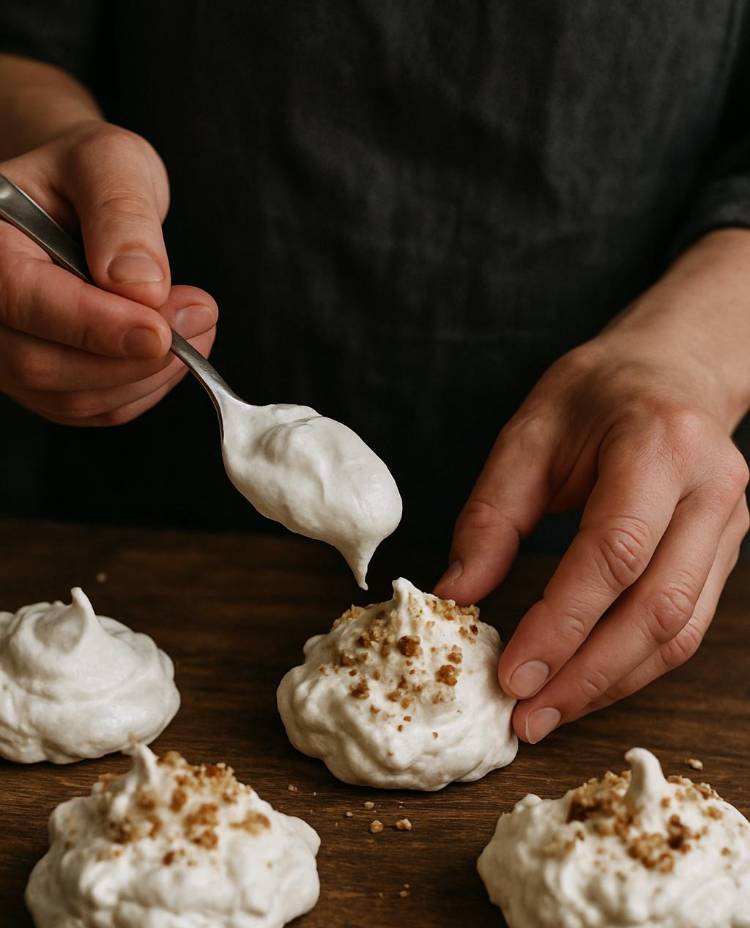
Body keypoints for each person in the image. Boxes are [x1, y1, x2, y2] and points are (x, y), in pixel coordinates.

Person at [0, 4, 748, 746]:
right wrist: (59, 157)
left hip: (600, 520)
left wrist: (691, 354)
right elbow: (24, 44)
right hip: (131, 522)